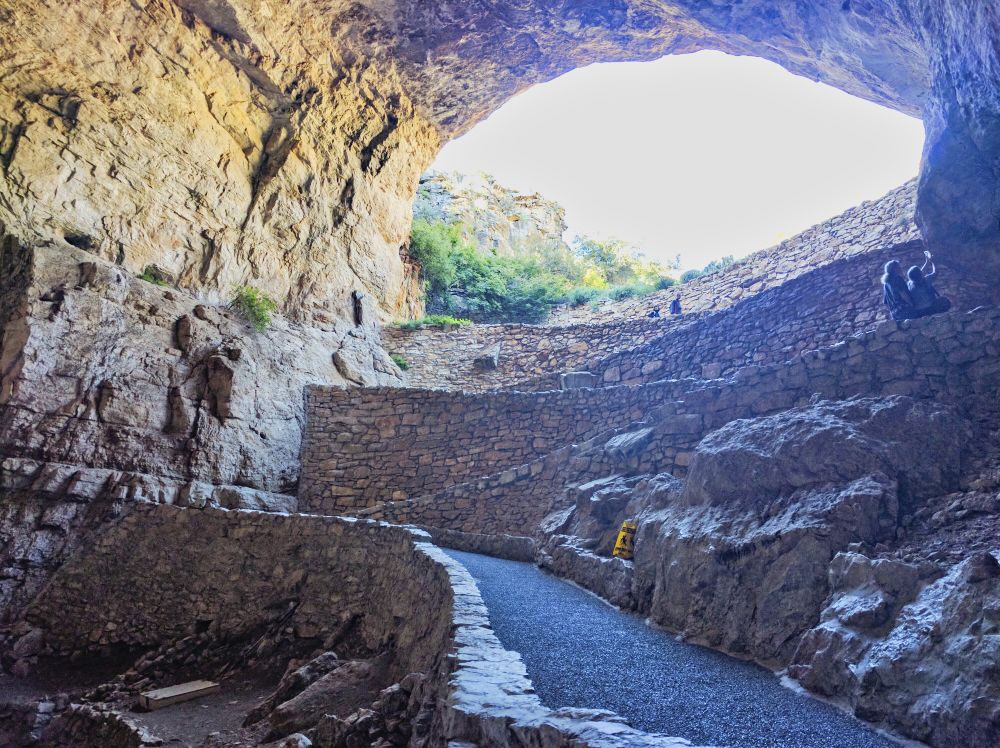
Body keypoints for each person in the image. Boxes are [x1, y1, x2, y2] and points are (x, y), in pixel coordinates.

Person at [906, 251, 951, 317]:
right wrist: (933, 262)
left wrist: (927, 262)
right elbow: (935, 272)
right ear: (920, 274)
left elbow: (918, 274)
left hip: (919, 311)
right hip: (931, 308)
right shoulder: (926, 281)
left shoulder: (909, 284)